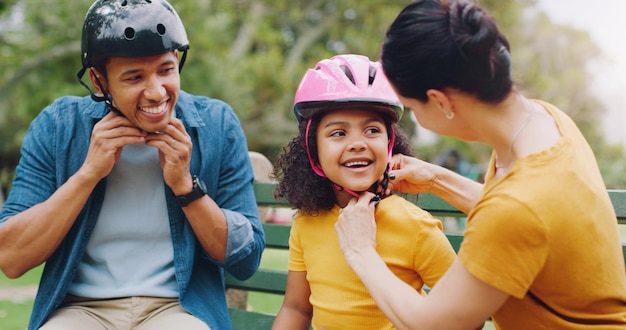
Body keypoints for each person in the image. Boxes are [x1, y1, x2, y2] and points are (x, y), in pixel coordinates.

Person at [334, 1, 626, 329]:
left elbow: (434, 325)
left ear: (441, 101)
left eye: (412, 107)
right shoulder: (546, 121)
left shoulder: (516, 207)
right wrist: (436, 179)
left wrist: (360, 251)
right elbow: (535, 225)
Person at [0, 0, 265, 329]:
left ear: (178, 61)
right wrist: (88, 174)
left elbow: (246, 259)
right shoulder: (57, 126)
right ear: (99, 82)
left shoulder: (217, 124)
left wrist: (186, 186)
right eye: (134, 77)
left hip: (178, 309)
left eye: (166, 70)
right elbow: (11, 259)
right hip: (81, 309)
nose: (156, 93)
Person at [271, 54, 456, 330]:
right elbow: (296, 309)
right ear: (313, 151)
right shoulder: (306, 222)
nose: (357, 143)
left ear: (390, 144)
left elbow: (465, 320)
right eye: (338, 133)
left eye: (371, 130)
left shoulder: (416, 227)